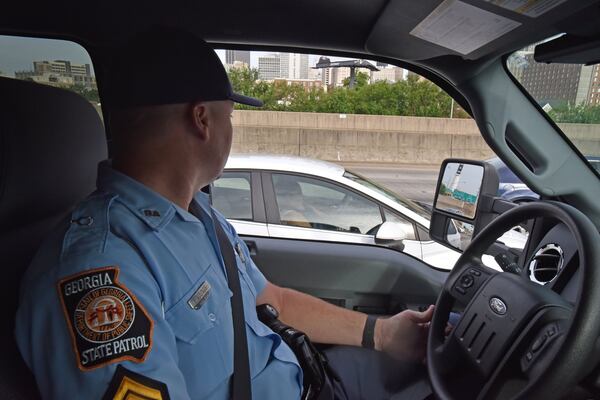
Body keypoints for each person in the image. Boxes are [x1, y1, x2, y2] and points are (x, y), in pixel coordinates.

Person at [14, 27, 434, 399]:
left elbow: (272, 301)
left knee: (431, 371)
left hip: (309, 378)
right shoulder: (100, 271)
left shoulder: (200, 217)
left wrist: (382, 333)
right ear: (202, 120)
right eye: (229, 115)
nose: (231, 130)